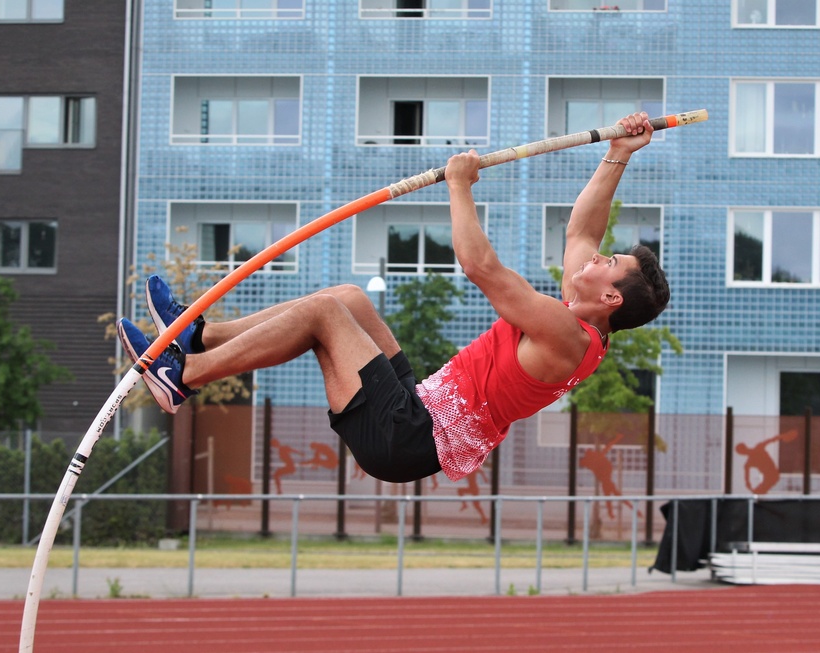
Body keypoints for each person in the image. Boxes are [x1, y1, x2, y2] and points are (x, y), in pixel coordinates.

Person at [117, 112, 669, 484]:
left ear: (613, 299)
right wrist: (619, 152)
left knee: (323, 314)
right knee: (350, 299)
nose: (597, 259)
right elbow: (580, 234)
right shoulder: (582, 317)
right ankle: (200, 335)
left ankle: (182, 376)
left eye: (610, 264)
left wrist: (459, 185)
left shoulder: (565, 334)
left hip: (408, 437)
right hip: (419, 408)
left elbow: (480, 266)